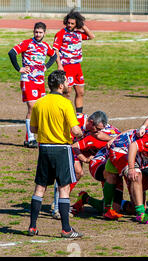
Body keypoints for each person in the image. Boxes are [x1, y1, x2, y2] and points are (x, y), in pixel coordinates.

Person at [27, 70, 83, 238]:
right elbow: (75, 129)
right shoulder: (65, 103)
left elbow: (33, 129)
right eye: (66, 82)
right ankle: (66, 229)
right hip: (62, 149)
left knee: (40, 188)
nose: (68, 85)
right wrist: (80, 134)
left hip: (44, 148)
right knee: (64, 189)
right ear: (60, 85)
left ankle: (32, 227)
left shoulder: (39, 103)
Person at [8, 22, 57, 148]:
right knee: (32, 107)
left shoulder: (46, 46)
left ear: (44, 33)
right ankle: (30, 138)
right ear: (33, 32)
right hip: (28, 79)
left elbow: (54, 55)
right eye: (36, 32)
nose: (38, 34)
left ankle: (35, 137)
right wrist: (19, 68)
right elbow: (12, 53)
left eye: (40, 32)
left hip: (40, 81)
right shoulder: (27, 43)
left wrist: (46, 67)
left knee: (40, 108)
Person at [53, 8, 95, 113]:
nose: (70, 25)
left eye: (72, 23)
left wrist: (82, 25)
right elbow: (55, 50)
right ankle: (64, 114)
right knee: (67, 93)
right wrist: (59, 65)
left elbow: (91, 36)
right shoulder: (61, 34)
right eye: (68, 23)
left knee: (80, 92)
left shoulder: (78, 33)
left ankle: (79, 115)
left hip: (77, 67)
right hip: (66, 66)